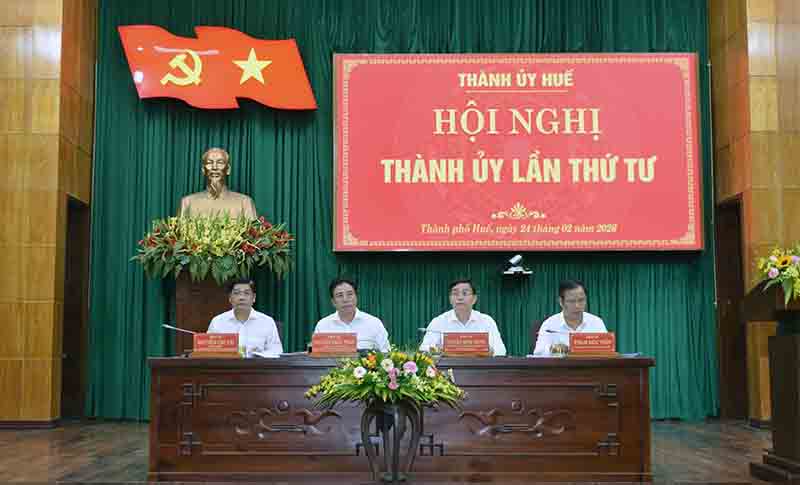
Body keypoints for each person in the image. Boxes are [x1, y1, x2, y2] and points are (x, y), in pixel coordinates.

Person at [419, 279, 507, 356]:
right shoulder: (438, 322)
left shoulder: (487, 321)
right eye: (455, 294)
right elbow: (424, 349)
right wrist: (437, 349)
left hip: (480, 368)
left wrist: (490, 350)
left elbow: (501, 351)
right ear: (450, 299)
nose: (460, 298)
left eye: (465, 293)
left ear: (474, 299)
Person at [208, 278, 283, 356]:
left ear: (254, 298)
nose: (241, 297)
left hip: (257, 364)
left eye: (246, 293)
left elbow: (276, 351)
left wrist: (258, 355)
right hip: (227, 364)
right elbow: (208, 351)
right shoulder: (217, 322)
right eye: (236, 293)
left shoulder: (267, 322)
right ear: (230, 298)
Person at [532, 279, 608, 356]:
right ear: (561, 302)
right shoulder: (549, 325)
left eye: (581, 300)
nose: (577, 306)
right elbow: (539, 353)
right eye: (571, 301)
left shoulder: (597, 323)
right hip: (560, 364)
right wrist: (557, 350)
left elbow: (606, 351)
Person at [313, 278, 391, 352]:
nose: (345, 299)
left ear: (356, 297)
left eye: (350, 294)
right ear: (333, 302)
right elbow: (316, 357)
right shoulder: (322, 325)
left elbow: (386, 354)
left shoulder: (374, 323)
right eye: (340, 295)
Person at [179, 147, 258, 218]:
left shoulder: (244, 203)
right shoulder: (187, 203)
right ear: (203, 170)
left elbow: (253, 229)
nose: (214, 167)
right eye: (209, 163)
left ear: (228, 169)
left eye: (220, 163)